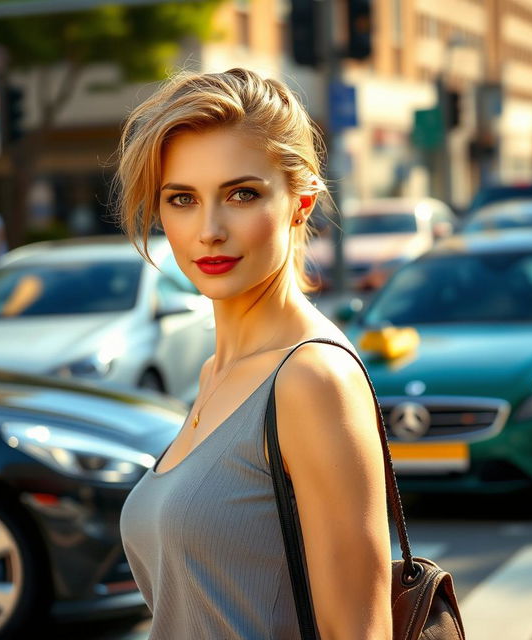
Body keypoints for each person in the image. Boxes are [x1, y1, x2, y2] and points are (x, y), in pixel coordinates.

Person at [118, 68, 391, 639]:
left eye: (242, 194)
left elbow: (358, 632)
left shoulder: (312, 379)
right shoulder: (216, 371)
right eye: (182, 199)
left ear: (301, 201)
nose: (209, 230)